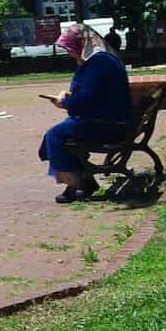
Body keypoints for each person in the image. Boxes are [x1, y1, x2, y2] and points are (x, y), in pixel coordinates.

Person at [38, 24, 131, 203]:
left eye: (70, 48)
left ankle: (77, 183)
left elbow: (87, 98)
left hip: (107, 125)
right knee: (60, 134)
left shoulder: (99, 63)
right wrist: (69, 98)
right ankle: (83, 179)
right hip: (110, 119)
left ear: (83, 44)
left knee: (56, 135)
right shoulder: (100, 60)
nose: (69, 53)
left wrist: (64, 102)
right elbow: (95, 94)